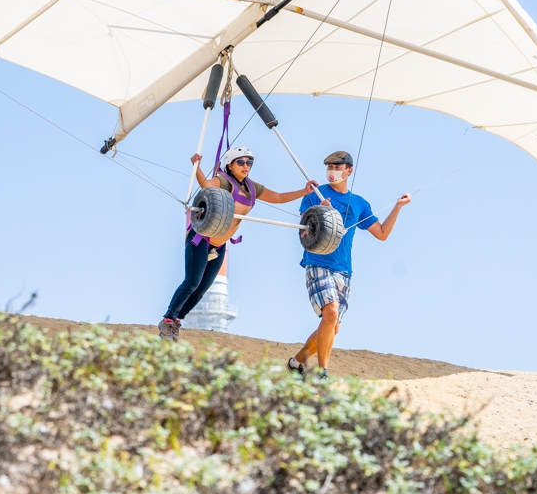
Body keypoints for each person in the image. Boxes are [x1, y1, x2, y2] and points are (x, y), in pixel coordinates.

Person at [160, 146, 318, 341]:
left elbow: (277, 198)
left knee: (201, 290)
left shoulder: (252, 188)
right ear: (230, 164)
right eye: (241, 162)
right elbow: (207, 186)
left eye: (249, 162)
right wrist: (197, 166)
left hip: (219, 246)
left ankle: (176, 321)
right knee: (192, 282)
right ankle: (168, 319)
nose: (246, 166)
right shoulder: (224, 181)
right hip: (201, 238)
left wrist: (304, 190)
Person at [288, 151, 411, 379]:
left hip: (344, 269)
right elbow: (304, 228)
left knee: (332, 326)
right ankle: (323, 372)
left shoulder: (359, 203)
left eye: (337, 167)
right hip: (318, 262)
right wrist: (319, 210)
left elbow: (382, 233)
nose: (331, 171)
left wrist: (398, 207)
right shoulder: (316, 193)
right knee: (331, 312)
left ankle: (298, 361)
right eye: (329, 167)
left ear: (348, 171)